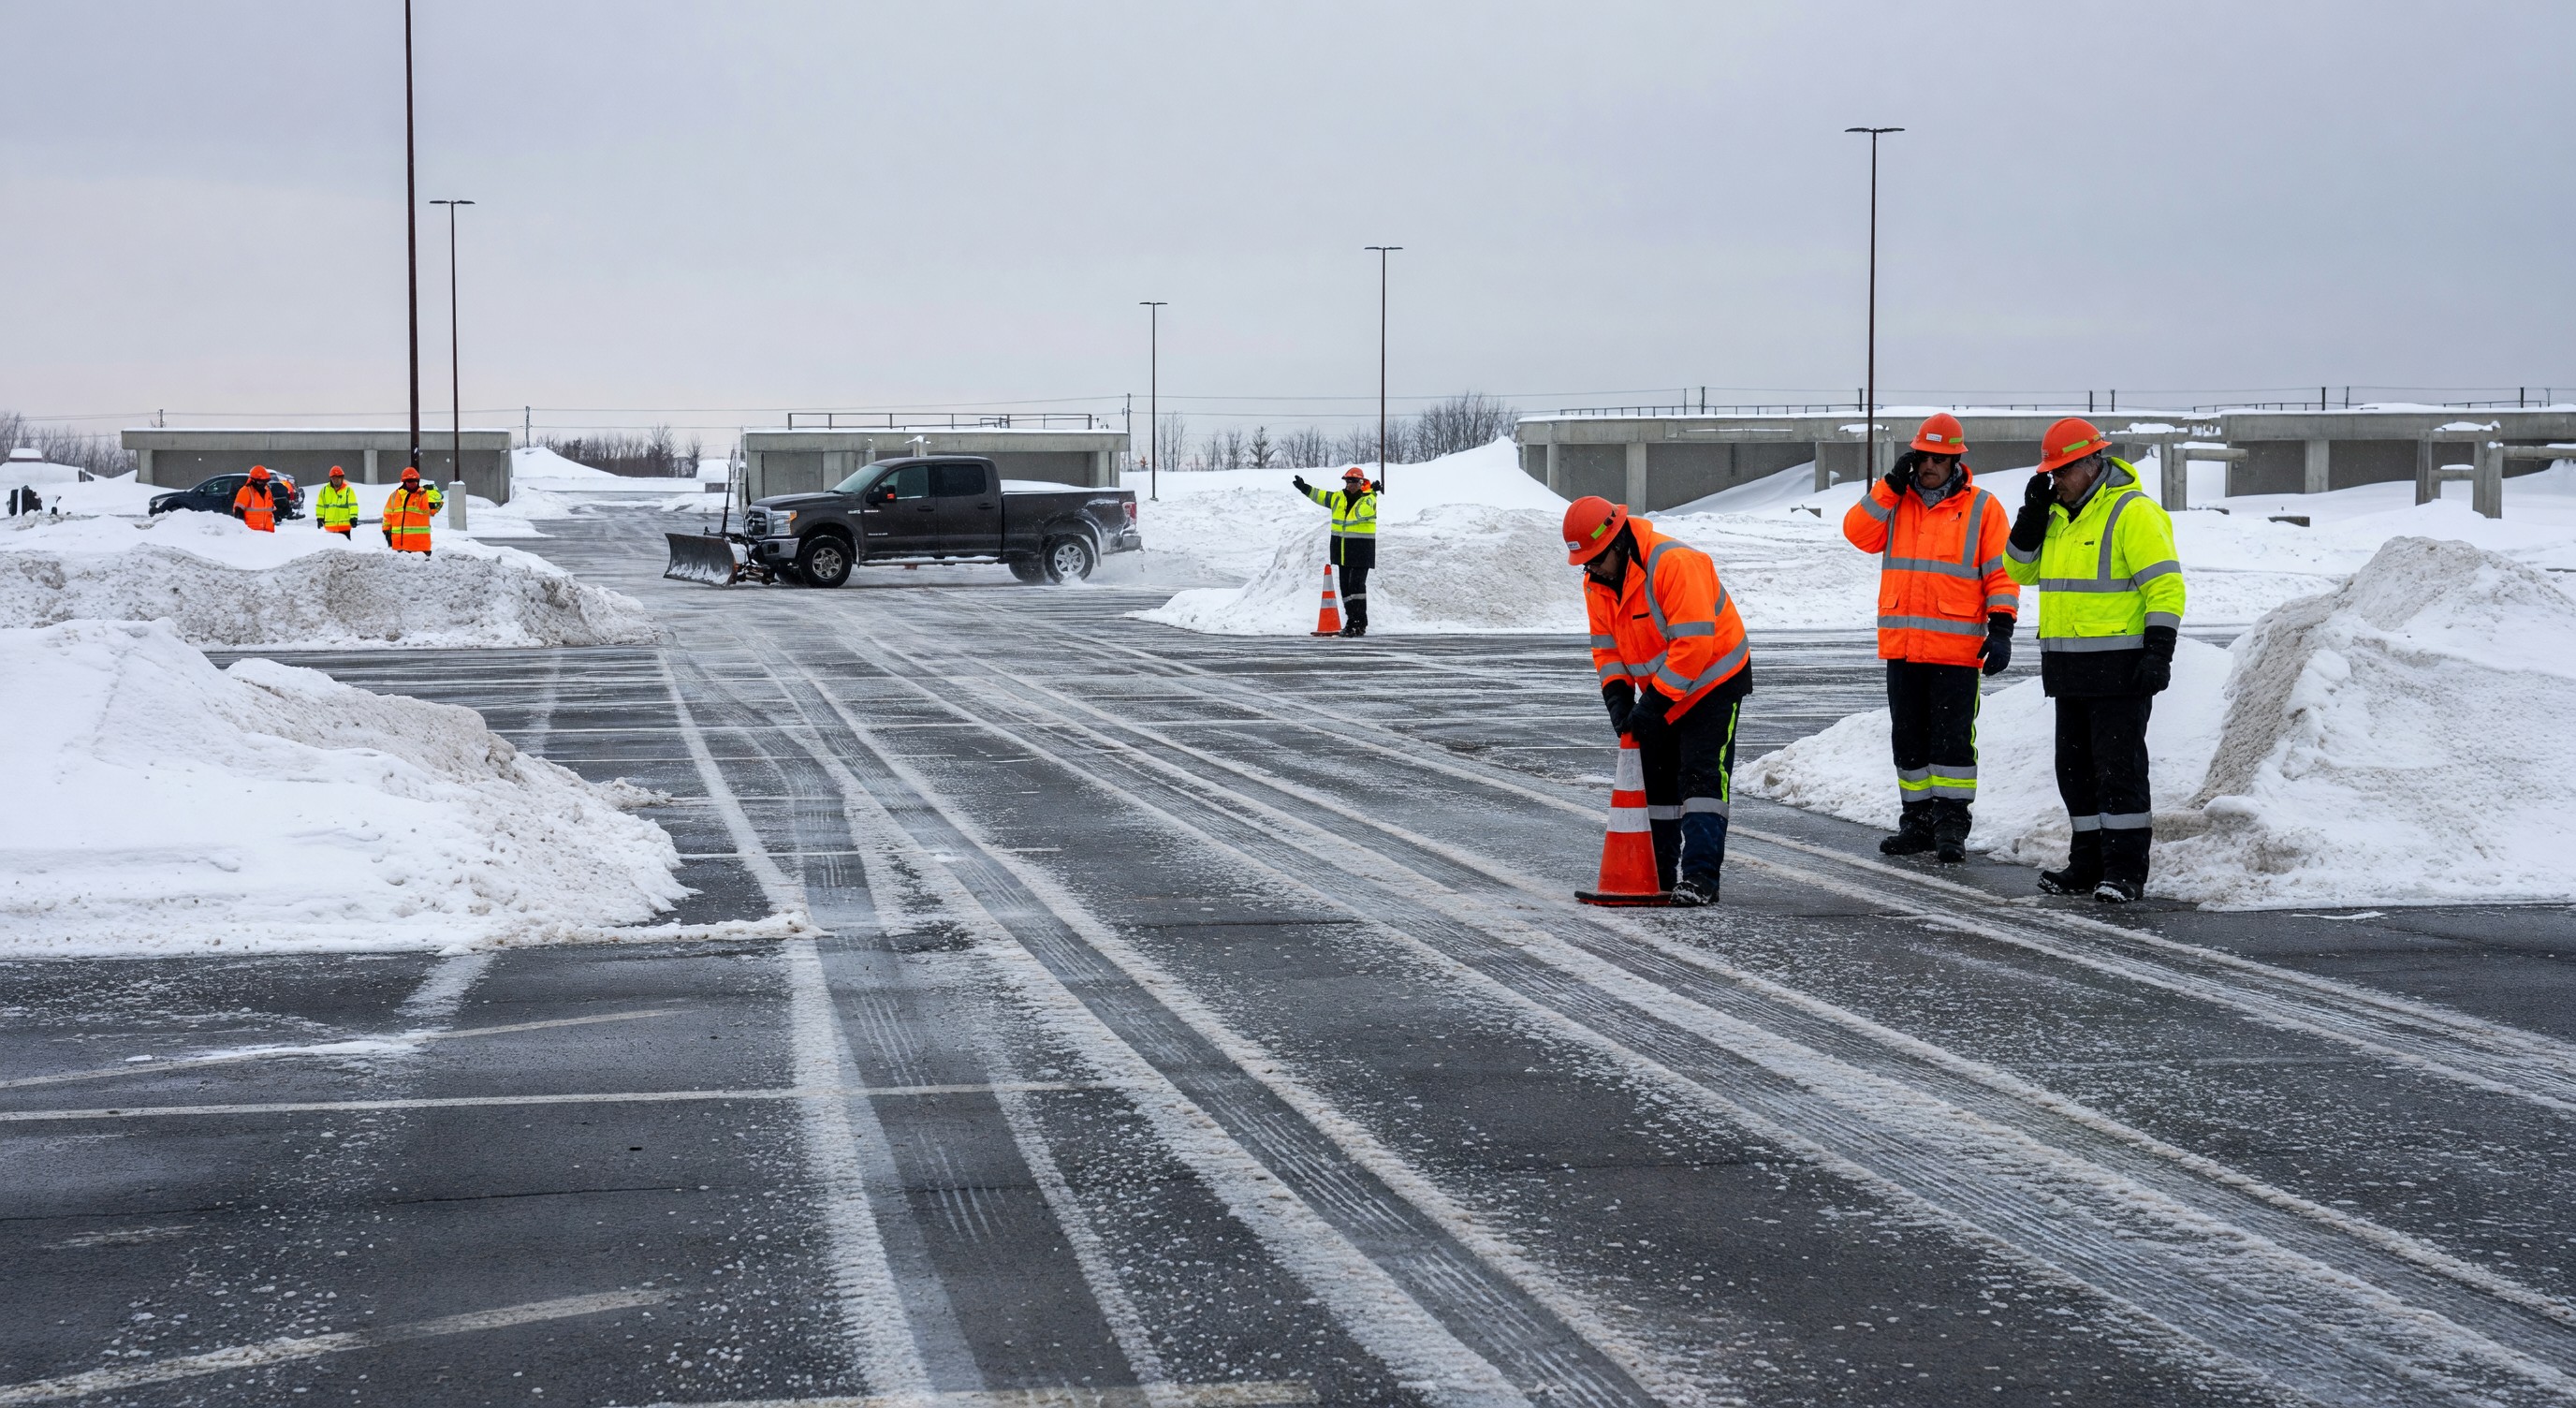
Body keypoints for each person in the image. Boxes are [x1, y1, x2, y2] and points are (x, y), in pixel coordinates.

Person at [2001, 418, 2187, 903]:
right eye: (2051, 473)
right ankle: (2086, 864)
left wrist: (2159, 652)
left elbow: (2165, 587)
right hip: (2068, 670)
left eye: (2062, 471)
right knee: (2075, 773)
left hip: (2120, 669)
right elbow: (2019, 569)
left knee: (2118, 774)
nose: (2056, 480)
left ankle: (2124, 872)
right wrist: (2030, 516)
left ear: (2091, 462)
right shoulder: (2057, 517)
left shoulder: (2133, 512)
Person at [1841, 412, 2020, 863]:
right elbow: (1856, 533)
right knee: (1908, 741)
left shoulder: (1983, 507)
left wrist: (2002, 627)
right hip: (1903, 649)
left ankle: (1951, 826)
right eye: (1923, 457)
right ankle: (1917, 823)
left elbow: (2000, 573)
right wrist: (1887, 486)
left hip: (1956, 651)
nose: (1929, 466)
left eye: (1940, 459)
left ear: (1956, 461)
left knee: (1951, 743)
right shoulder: (1896, 502)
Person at [1565, 495, 1752, 906]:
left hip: (1713, 680)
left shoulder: (1673, 563)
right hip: (1663, 688)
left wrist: (1652, 705)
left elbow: (1694, 644)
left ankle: (1701, 878)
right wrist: (1617, 696)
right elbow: (1606, 647)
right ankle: (1659, 875)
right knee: (1657, 781)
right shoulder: (1597, 582)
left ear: (1618, 542)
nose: (1592, 569)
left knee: (1700, 778)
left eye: (1596, 559)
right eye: (1585, 564)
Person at [1289, 464, 1378, 636]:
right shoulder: (1337, 497)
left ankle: (1359, 622)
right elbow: (1319, 495)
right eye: (1348, 481)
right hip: (1342, 550)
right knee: (1345, 588)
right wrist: (1304, 488)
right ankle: (1351, 621)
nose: (1350, 485)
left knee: (1356, 586)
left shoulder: (1369, 499)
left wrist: (1370, 491)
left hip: (1361, 550)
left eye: (1354, 481)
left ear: (1361, 483)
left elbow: (1363, 513)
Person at [384, 466, 443, 556]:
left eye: (414, 481)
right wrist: (386, 531)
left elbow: (434, 508)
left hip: (420, 547)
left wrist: (433, 505)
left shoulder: (423, 494)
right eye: (409, 481)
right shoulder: (395, 496)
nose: (412, 484)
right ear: (404, 482)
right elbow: (387, 515)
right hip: (400, 545)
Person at [230, 464, 283, 532]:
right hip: (252, 532)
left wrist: (276, 513)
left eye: (265, 481)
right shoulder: (245, 491)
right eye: (260, 482)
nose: (263, 484)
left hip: (267, 532)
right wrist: (242, 529)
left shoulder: (267, 490)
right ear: (253, 480)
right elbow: (238, 511)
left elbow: (270, 507)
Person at [315, 465, 360, 538]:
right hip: (329, 529)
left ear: (342, 478)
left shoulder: (348, 490)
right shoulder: (324, 491)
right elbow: (320, 505)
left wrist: (353, 517)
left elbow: (353, 506)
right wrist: (320, 518)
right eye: (334, 478)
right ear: (331, 479)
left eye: (338, 478)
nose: (336, 480)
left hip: (344, 528)